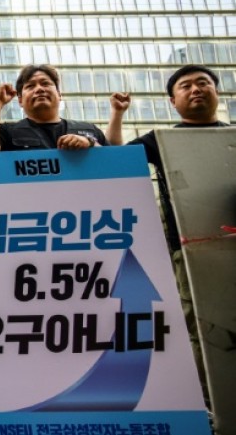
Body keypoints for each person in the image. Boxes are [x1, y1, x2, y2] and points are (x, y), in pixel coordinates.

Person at [108, 64, 231, 407]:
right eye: (186, 86)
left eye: (203, 83)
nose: (196, 90)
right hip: (189, 251)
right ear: (172, 102)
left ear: (217, 92)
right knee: (203, 330)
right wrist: (117, 115)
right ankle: (214, 406)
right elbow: (117, 162)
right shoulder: (160, 139)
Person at [0, 63, 107, 152]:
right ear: (20, 100)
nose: (39, 89)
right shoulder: (8, 132)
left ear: (59, 94)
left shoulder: (89, 130)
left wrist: (89, 143)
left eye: (45, 83)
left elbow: (114, 162)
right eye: (30, 86)